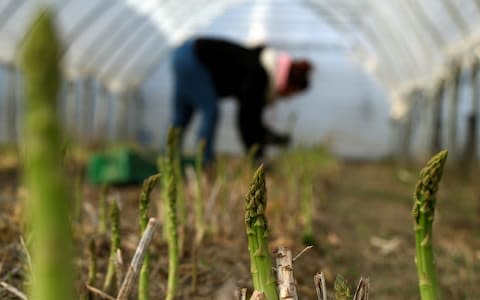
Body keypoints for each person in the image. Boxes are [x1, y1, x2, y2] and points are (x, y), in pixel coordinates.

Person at [170, 37, 312, 165]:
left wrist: (273, 138)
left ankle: (169, 159)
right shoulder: (259, 75)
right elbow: (246, 121)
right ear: (288, 84)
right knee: (211, 111)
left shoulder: (262, 64)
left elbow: (252, 120)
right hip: (193, 59)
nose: (287, 98)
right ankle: (204, 162)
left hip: (184, 53)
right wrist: (258, 158)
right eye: (291, 93)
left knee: (181, 116)